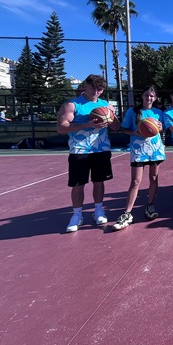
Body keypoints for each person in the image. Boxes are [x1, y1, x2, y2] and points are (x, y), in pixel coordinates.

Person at [56, 74, 120, 233]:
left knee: (99, 182)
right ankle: (77, 215)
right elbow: (61, 127)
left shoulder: (106, 105)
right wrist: (87, 124)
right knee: (78, 184)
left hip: (101, 149)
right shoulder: (72, 105)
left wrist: (111, 117)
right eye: (93, 88)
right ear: (85, 86)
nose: (96, 92)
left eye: (100, 89)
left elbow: (116, 127)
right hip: (79, 150)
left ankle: (98, 210)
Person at [113, 85, 166, 231]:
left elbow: (161, 129)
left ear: (155, 98)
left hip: (155, 150)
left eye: (152, 96)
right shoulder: (133, 111)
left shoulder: (158, 112)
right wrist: (135, 132)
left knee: (154, 178)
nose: (149, 98)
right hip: (139, 150)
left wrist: (160, 127)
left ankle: (150, 206)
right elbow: (125, 129)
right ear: (142, 96)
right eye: (147, 95)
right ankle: (127, 213)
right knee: (135, 181)